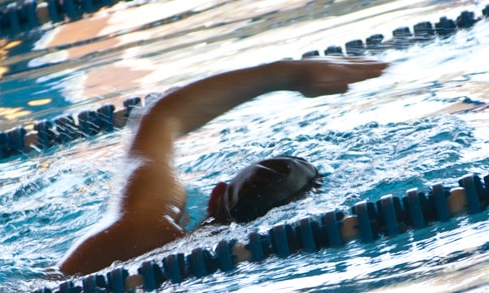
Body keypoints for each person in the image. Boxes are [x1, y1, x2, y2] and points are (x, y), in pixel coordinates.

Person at [56, 57, 389, 276]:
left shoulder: (141, 229)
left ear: (216, 197)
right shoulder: (259, 262)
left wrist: (289, 73)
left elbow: (160, 117)